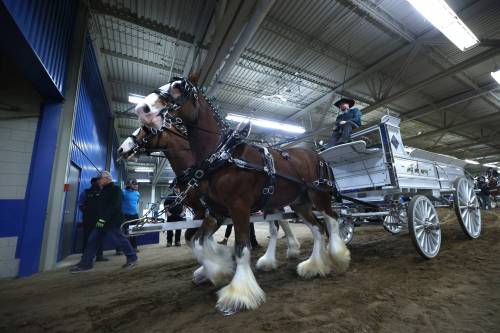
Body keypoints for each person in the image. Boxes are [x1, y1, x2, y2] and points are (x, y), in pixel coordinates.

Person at [71, 171, 138, 273]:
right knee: (92, 241)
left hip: (113, 222)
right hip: (101, 222)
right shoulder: (103, 191)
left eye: (100, 179)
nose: (98, 181)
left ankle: (132, 258)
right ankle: (86, 264)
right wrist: (98, 219)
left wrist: (103, 219)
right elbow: (100, 208)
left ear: (107, 179)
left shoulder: (116, 189)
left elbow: (113, 206)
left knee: (120, 240)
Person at [78, 177, 107, 261]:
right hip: (88, 219)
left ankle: (99, 255)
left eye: (99, 181)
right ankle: (86, 256)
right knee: (87, 237)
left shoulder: (103, 192)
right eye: (97, 182)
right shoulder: (85, 192)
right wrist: (87, 212)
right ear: (92, 183)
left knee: (99, 236)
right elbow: (80, 204)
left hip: (100, 219)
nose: (98, 183)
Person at [122, 179, 140, 252]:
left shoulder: (137, 193)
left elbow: (136, 202)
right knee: (125, 232)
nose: (136, 185)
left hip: (135, 215)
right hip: (125, 215)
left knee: (134, 232)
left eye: (137, 184)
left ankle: (134, 247)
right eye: (134, 184)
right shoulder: (123, 192)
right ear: (129, 185)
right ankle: (122, 248)